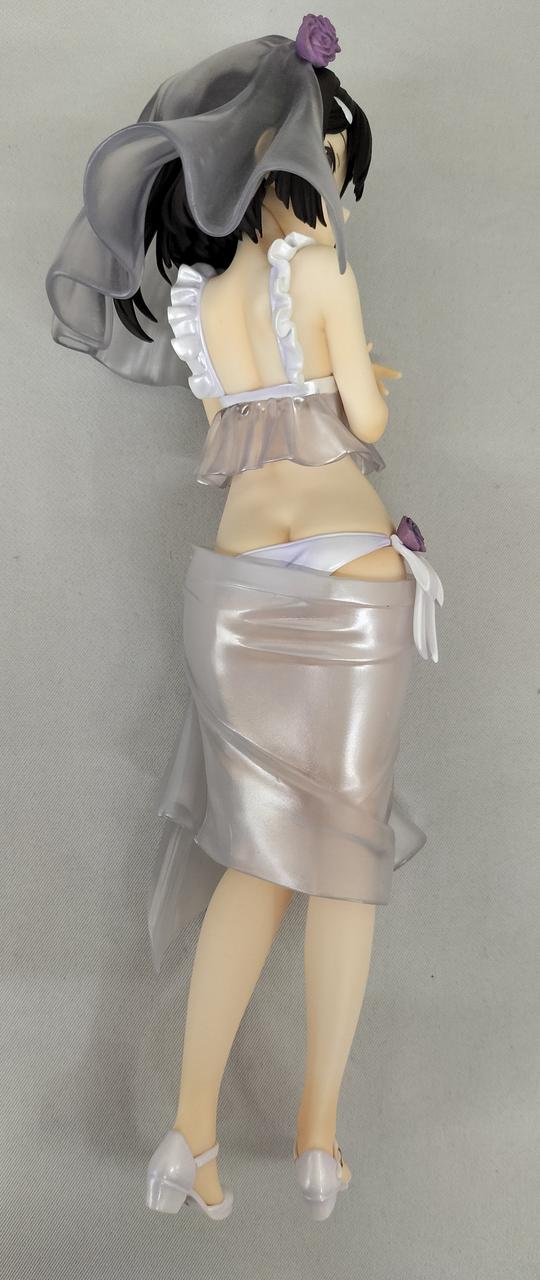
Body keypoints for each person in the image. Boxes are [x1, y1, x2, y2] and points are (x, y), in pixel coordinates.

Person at [46, 17, 443, 1223]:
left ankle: (190, 1129)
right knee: (342, 865)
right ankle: (319, 1136)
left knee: (253, 867)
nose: (341, 182)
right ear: (293, 153)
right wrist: (365, 370)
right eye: (337, 155)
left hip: (234, 592)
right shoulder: (321, 271)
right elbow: (363, 424)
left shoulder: (196, 297)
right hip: (346, 578)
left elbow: (247, 420)